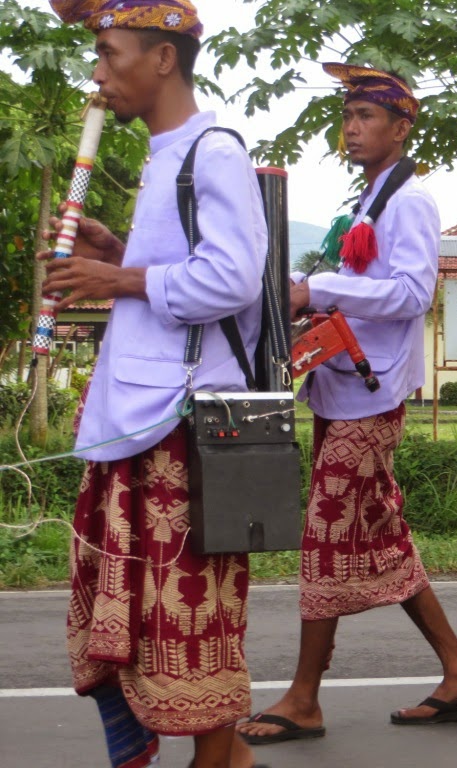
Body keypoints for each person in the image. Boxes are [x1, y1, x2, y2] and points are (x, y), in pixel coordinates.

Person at [237, 64, 457, 747]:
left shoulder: (411, 201)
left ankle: (304, 699)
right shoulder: (368, 197)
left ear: (401, 128)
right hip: (339, 388)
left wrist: (319, 290)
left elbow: (411, 293)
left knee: (326, 533)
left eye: (366, 117)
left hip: (370, 398)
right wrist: (299, 285)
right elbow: (348, 277)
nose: (351, 128)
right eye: (347, 116)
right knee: (381, 534)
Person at [43, 3, 268, 768]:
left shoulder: (214, 151)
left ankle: (215, 754)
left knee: (192, 618)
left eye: (110, 54)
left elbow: (233, 278)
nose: (98, 74)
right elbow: (180, 269)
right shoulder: (167, 153)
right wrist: (117, 252)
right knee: (141, 608)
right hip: (144, 419)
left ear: (162, 59)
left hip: (185, 426)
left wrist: (119, 278)